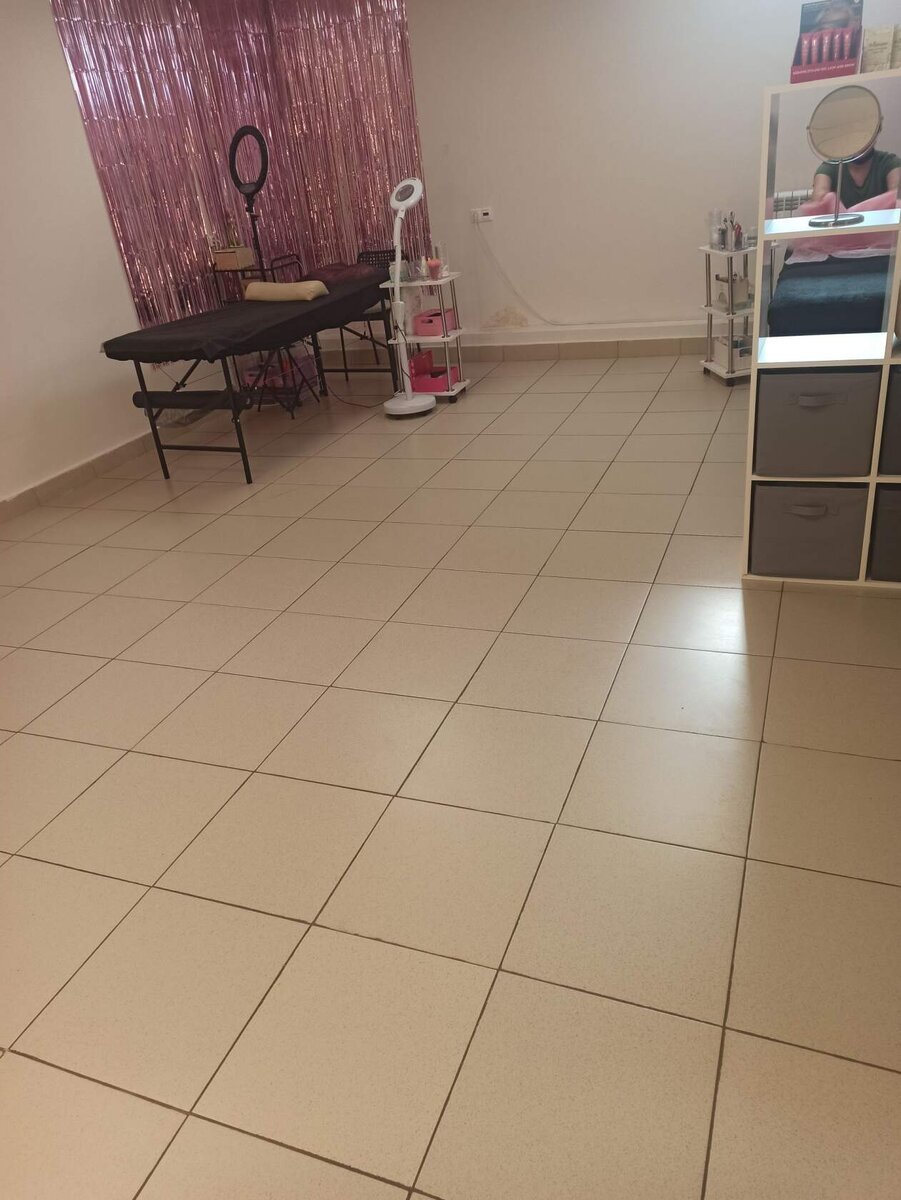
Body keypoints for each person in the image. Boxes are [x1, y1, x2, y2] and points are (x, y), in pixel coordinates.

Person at [813, 146, 901, 207]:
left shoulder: (890, 163)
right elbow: (818, 202)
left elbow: (897, 201)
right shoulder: (830, 167)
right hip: (841, 229)